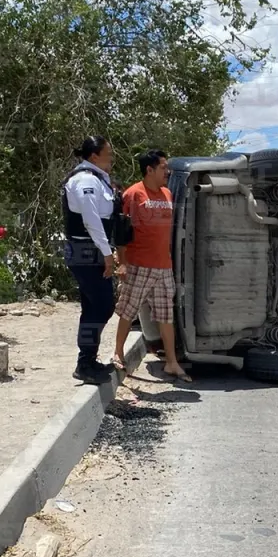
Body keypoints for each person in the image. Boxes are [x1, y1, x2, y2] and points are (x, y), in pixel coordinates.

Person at [113, 150, 191, 382]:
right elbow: (121, 231)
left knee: (166, 315)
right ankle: (117, 353)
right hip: (138, 264)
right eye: (163, 167)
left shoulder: (167, 193)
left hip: (163, 266)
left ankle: (171, 363)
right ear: (149, 170)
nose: (167, 171)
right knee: (128, 310)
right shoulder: (133, 194)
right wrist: (123, 263)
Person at [61, 136, 123, 385]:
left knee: (93, 307)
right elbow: (91, 220)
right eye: (108, 153)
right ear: (94, 156)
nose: (111, 157)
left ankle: (88, 360)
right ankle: (84, 362)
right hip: (86, 251)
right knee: (102, 306)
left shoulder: (99, 180)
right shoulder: (85, 180)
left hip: (93, 250)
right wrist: (107, 253)